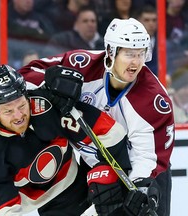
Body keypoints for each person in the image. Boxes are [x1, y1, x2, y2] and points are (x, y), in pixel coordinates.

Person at [18, 18, 175, 216]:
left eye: (140, 54)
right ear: (110, 51)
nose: (135, 62)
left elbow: (147, 158)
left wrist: (141, 190)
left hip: (141, 171)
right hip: (93, 162)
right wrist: (51, 83)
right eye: (128, 54)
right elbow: (24, 75)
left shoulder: (153, 101)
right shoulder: (82, 65)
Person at [0, 64, 133, 215]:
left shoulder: (47, 106)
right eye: (8, 111)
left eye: (21, 105)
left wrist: (107, 170)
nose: (18, 116)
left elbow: (110, 132)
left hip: (71, 186)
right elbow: (4, 211)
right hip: (21, 207)